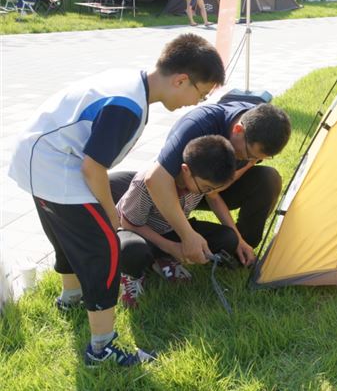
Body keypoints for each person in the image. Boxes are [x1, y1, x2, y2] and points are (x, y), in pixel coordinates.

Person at [8, 33, 225, 367]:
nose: (196, 103)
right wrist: (110, 215)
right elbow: (93, 167)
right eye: (201, 93)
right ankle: (101, 350)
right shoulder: (128, 106)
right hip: (56, 168)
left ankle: (70, 298)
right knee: (104, 252)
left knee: (67, 239)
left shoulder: (131, 83)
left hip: (36, 159)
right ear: (181, 80)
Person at [138, 102, 291, 269]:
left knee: (269, 179)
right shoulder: (199, 125)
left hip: (209, 189)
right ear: (238, 130)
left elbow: (214, 194)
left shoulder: (263, 128)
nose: (249, 161)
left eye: (257, 158)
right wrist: (187, 235)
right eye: (249, 155)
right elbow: (156, 179)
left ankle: (241, 251)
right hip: (182, 187)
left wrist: (238, 239)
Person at [115, 135, 238, 308]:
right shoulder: (147, 182)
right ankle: (133, 275)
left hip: (173, 230)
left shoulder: (201, 178)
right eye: (206, 188)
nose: (209, 192)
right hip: (139, 232)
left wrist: (238, 241)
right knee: (131, 250)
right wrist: (171, 247)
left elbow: (214, 199)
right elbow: (129, 224)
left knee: (227, 238)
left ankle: (163, 259)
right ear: (186, 170)